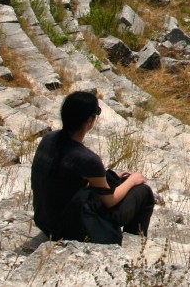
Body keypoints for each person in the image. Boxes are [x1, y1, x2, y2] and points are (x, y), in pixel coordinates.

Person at [31, 91, 154, 242]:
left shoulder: (48, 139)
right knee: (143, 192)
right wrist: (132, 181)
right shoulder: (87, 158)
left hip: (44, 221)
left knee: (112, 179)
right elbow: (110, 200)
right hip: (68, 230)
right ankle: (135, 244)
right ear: (89, 120)